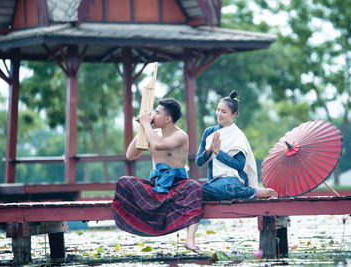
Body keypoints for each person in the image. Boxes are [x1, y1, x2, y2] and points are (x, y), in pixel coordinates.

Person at [112, 98, 202, 253]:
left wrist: (147, 125)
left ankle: (190, 239)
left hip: (178, 183)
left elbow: (158, 145)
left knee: (194, 187)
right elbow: (130, 154)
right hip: (156, 183)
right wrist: (142, 127)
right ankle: (146, 220)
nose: (153, 115)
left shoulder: (181, 135)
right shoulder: (152, 133)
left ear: (168, 119)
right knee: (124, 181)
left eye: (157, 113)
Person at [195, 90, 278, 200]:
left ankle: (253, 192)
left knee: (225, 187)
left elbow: (239, 165)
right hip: (214, 182)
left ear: (233, 114)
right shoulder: (209, 132)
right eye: (218, 109)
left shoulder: (237, 135)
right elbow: (198, 162)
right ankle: (252, 193)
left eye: (223, 112)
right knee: (197, 192)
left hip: (233, 179)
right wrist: (209, 150)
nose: (219, 114)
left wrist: (218, 152)